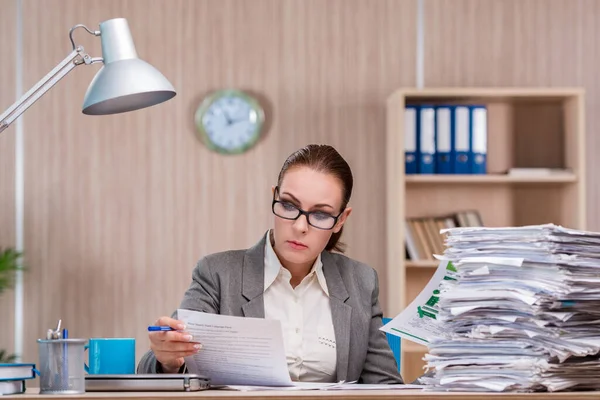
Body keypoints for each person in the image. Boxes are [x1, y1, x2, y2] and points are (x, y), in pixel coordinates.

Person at [137, 144, 403, 384]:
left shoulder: (361, 281)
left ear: (342, 219)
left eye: (320, 214)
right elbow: (152, 371)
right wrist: (168, 360)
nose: (300, 227)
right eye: (289, 206)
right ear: (274, 196)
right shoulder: (218, 273)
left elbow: (386, 386)